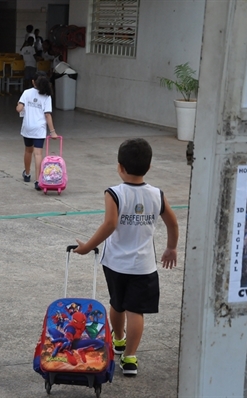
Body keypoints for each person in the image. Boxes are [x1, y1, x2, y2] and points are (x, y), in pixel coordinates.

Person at [73, 138, 179, 377]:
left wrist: (88, 246)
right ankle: (130, 358)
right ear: (149, 167)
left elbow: (110, 224)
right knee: (136, 311)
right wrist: (171, 248)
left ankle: (118, 340)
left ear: (120, 166)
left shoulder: (114, 193)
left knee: (117, 304)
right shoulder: (157, 194)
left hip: (116, 263)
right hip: (144, 266)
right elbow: (172, 222)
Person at [16, 71, 57, 190]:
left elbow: (19, 109)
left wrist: (19, 104)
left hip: (27, 127)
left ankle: (27, 174)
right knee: (38, 154)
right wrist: (52, 131)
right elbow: (48, 115)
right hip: (39, 128)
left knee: (28, 151)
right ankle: (38, 180)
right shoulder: (47, 95)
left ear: (33, 81)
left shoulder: (26, 93)